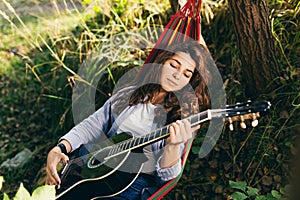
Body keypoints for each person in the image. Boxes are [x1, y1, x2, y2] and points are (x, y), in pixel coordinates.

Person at [45, 40, 212, 199]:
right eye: (173, 65)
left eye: (186, 74)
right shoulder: (129, 94)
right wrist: (61, 148)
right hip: (97, 169)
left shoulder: (183, 117)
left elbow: (166, 179)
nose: (176, 75)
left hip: (130, 185)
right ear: (162, 63)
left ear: (191, 82)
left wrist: (173, 146)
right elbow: (93, 125)